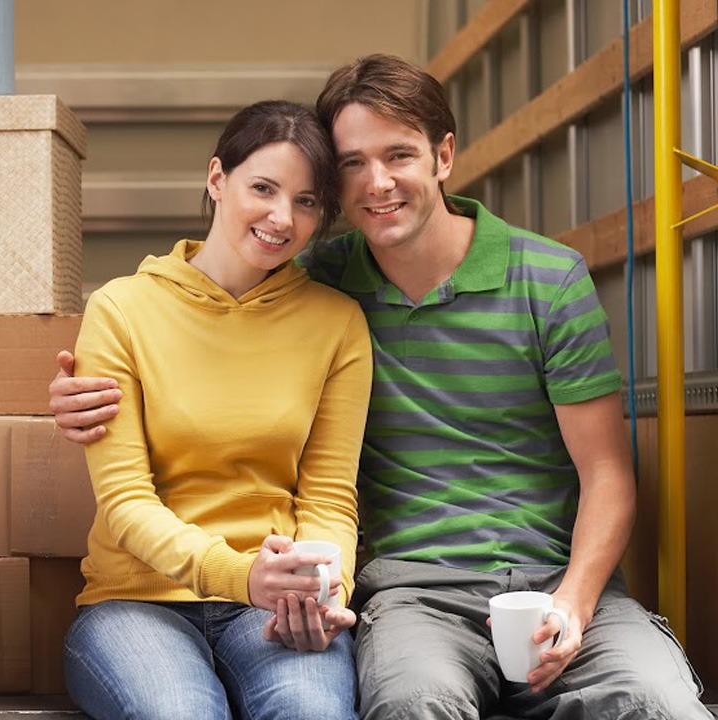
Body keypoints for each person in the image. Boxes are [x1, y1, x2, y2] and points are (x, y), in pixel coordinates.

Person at [51, 54, 711, 719]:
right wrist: (69, 394)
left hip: (544, 582)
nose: (377, 184)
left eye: (398, 155)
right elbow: (203, 308)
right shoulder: (311, 282)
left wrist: (574, 599)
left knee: (662, 705)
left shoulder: (532, 281)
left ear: (443, 155)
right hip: (406, 595)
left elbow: (606, 475)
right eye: (352, 165)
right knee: (402, 706)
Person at [61, 99, 373, 720]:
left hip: (273, 606)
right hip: (136, 604)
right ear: (216, 179)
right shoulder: (122, 310)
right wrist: (237, 575)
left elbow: (330, 498)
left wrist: (321, 592)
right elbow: (125, 502)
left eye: (307, 201)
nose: (282, 217)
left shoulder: (337, 323)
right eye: (263, 187)